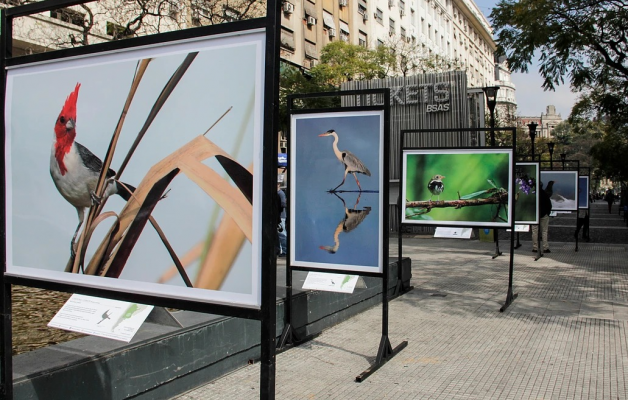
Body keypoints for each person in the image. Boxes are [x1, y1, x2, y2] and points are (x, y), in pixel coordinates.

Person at [532, 181, 552, 253]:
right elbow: (549, 205)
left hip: (535, 215)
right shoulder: (544, 193)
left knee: (534, 231)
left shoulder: (533, 194)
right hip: (544, 214)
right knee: (544, 231)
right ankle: (545, 247)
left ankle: (535, 247)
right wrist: (547, 213)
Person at [276, 183, 287, 257]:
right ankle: (281, 250)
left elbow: (283, 204)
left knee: (282, 234)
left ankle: (285, 250)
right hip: (278, 216)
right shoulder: (277, 193)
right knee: (279, 234)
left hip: (281, 216)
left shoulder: (280, 193)